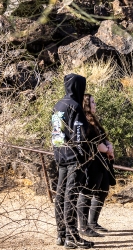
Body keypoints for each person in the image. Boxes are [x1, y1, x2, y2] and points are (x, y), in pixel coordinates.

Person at [51, 74, 95, 249]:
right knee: (70, 196)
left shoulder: (58, 105)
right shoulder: (75, 106)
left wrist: (59, 153)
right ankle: (72, 237)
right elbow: (79, 135)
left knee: (60, 196)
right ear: (78, 87)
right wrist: (81, 156)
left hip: (60, 156)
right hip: (73, 158)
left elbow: (56, 135)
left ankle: (61, 234)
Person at [77, 94, 115, 238]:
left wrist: (109, 146)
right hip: (91, 162)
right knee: (86, 192)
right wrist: (105, 149)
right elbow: (89, 140)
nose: (95, 105)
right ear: (86, 104)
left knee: (102, 190)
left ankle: (93, 222)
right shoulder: (83, 121)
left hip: (102, 162)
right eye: (92, 102)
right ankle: (84, 227)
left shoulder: (94, 121)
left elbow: (102, 138)